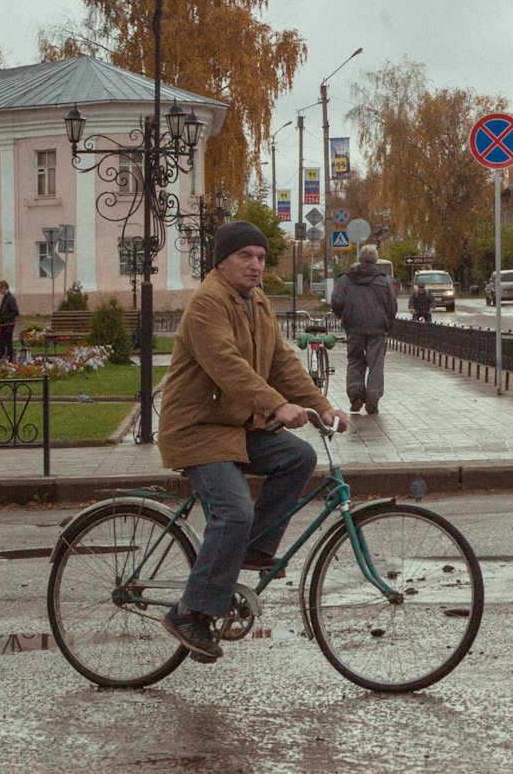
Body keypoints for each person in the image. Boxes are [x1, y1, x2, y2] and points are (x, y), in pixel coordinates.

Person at [156, 221, 344, 663]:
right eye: (246, 256)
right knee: (234, 511)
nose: (256, 265)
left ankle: (254, 547)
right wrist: (277, 406)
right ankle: (190, 613)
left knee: (298, 456)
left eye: (261, 257)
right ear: (223, 261)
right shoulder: (207, 303)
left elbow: (281, 361)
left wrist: (322, 405)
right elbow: (228, 366)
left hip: (235, 427)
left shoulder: (255, 300)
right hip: (199, 429)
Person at [332, 244, 397, 415]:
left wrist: (342, 316)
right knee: (376, 364)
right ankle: (373, 400)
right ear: (375, 260)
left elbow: (337, 302)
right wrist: (387, 322)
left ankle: (355, 396)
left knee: (355, 361)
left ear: (359, 259)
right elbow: (392, 307)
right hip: (378, 329)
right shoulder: (384, 280)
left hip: (354, 328)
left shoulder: (346, 279)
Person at [0, 281, 19, 361]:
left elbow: (15, 311)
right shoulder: (5, 297)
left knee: (8, 341)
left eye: (0, 289)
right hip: (3, 324)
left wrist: (5, 318)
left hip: (8, 324)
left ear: (4, 288)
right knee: (1, 342)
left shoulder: (10, 298)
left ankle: (9, 357)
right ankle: (2, 356)